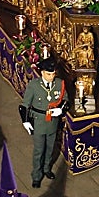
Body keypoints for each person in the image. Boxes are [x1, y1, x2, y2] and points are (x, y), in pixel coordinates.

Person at [19, 58, 67, 189]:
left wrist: (60, 109)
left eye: (53, 74)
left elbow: (65, 100)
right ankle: (36, 175)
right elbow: (24, 105)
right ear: (42, 73)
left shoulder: (59, 84)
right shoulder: (34, 86)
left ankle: (47, 168)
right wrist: (25, 121)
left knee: (50, 148)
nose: (51, 77)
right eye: (48, 74)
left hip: (52, 122)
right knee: (39, 150)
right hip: (38, 122)